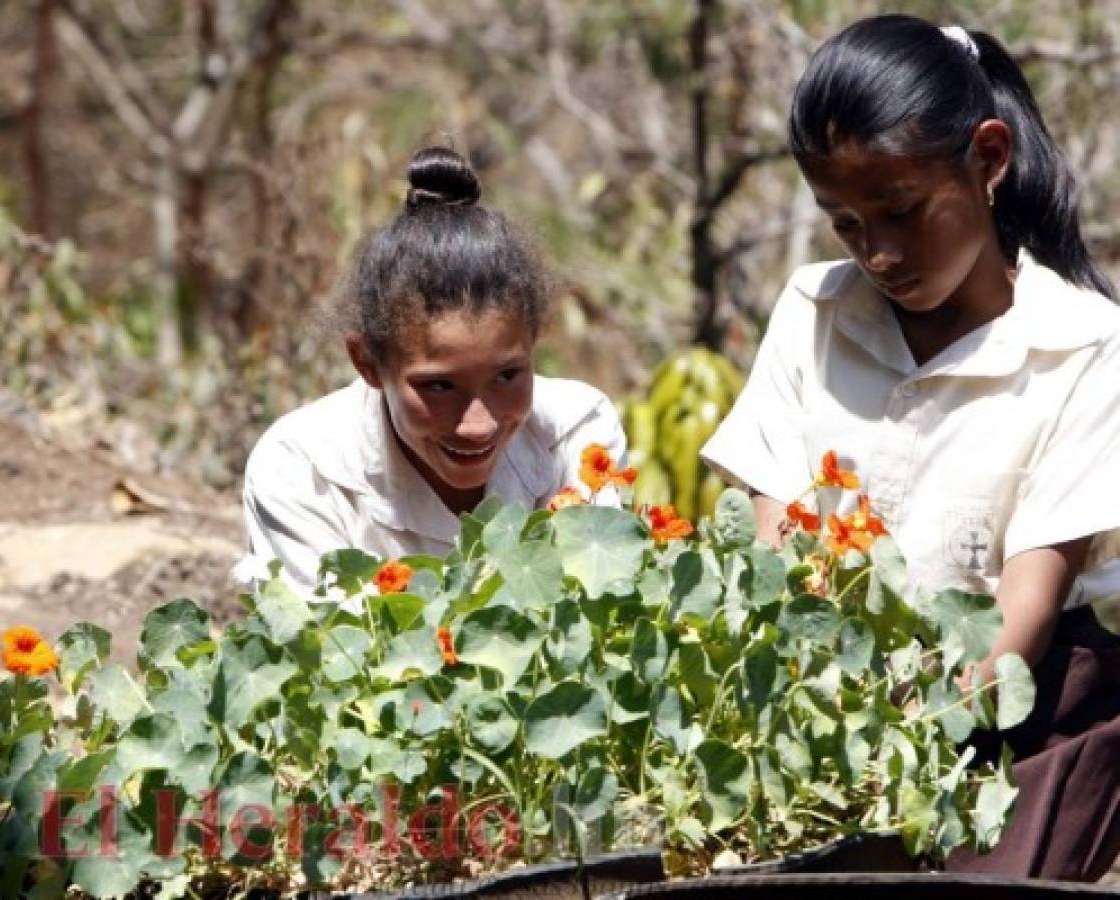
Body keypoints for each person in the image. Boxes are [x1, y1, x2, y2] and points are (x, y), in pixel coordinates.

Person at [701, 14, 1120, 880]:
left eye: (900, 212)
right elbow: (779, 546)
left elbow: (1024, 615)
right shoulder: (811, 312)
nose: (877, 253)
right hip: (824, 708)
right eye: (844, 223)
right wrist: (835, 732)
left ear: (989, 158)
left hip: (1024, 718)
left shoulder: (1085, 347)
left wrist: (900, 740)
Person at [237, 146, 625, 597]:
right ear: (368, 363)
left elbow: (597, 610)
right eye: (439, 386)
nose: (478, 424)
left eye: (508, 376)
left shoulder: (578, 430)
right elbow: (324, 652)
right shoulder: (302, 469)